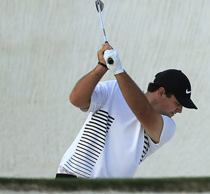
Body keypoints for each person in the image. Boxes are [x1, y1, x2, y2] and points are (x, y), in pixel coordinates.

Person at [56, 43, 198, 178]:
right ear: (161, 92)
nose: (179, 110)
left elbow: (142, 111)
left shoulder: (168, 127)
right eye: (178, 103)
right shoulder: (113, 89)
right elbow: (76, 99)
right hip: (71, 179)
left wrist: (118, 71)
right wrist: (101, 67)